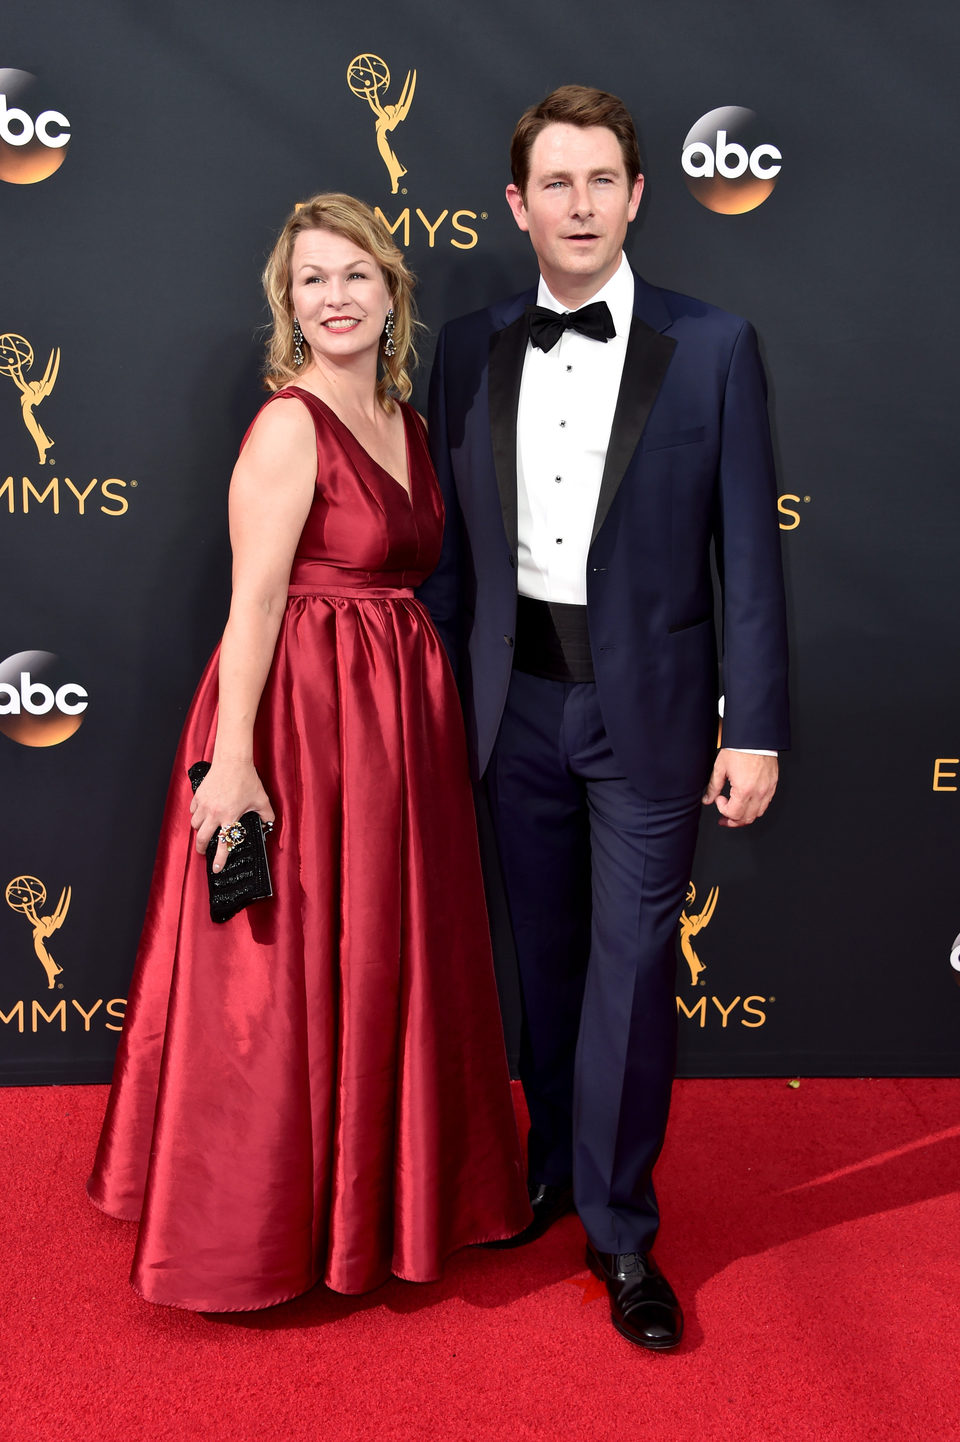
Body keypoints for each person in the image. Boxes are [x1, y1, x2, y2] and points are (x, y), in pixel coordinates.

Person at [87, 193, 531, 1311]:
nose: (334, 298)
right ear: (289, 303)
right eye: (311, 280)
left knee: (388, 951)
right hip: (297, 711)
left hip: (395, 722)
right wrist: (235, 762)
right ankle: (263, 1224)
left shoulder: (408, 420)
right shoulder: (290, 424)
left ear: (392, 293)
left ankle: (387, 1197)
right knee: (282, 966)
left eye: (354, 276)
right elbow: (256, 600)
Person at [419, 87, 789, 1349]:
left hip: (656, 717)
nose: (579, 206)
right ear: (517, 206)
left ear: (640, 195)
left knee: (635, 978)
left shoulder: (718, 345)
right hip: (510, 704)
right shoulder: (468, 346)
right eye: (554, 185)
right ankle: (550, 1167)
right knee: (548, 965)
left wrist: (758, 728)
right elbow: (451, 554)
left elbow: (752, 551)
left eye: (602, 182)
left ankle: (622, 1228)